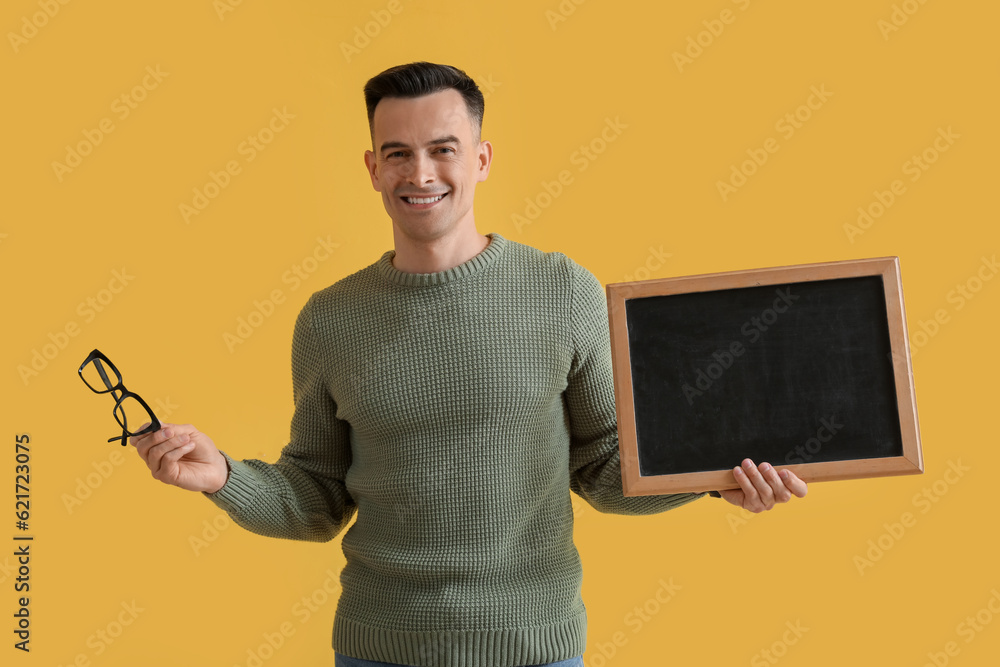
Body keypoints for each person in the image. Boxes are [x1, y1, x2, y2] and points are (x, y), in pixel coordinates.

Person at [130, 61, 808, 667]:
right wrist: (223, 477)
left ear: (481, 160)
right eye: (397, 153)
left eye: (441, 150)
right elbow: (316, 498)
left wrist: (714, 476)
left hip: (537, 647)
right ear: (372, 168)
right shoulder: (329, 319)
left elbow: (603, 469)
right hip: (379, 648)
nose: (419, 173)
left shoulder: (563, 289)